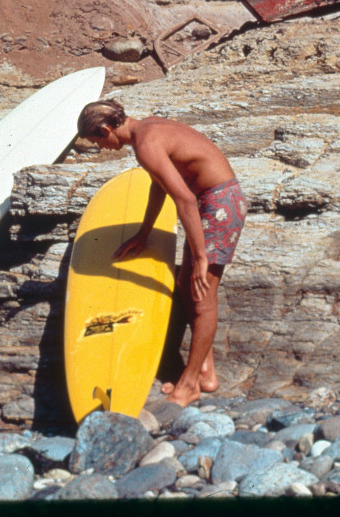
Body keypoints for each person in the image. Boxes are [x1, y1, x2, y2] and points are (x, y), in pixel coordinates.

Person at [77, 99, 247, 407]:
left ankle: (190, 384)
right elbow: (161, 185)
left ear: (105, 129)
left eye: (97, 141)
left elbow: (184, 199)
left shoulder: (146, 144)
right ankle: (206, 372)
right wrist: (144, 233)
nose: (101, 148)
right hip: (213, 202)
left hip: (219, 204)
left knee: (202, 293)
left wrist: (200, 258)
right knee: (187, 285)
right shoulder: (147, 129)